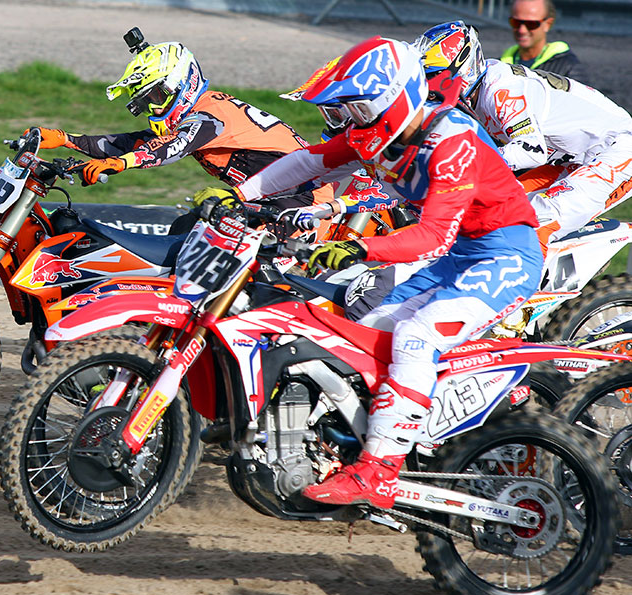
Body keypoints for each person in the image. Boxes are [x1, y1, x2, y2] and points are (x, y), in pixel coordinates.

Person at [197, 37, 543, 508]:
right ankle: (363, 443)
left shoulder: (451, 141)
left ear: (392, 98)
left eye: (357, 108)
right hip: (460, 255)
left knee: (416, 337)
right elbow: (306, 163)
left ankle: (379, 471)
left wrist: (358, 247)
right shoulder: (382, 132)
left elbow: (432, 237)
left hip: (504, 257)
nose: (352, 120)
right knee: (361, 338)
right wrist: (243, 198)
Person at [32, 29, 336, 219]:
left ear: (181, 83)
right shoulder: (202, 111)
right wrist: (68, 139)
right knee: (189, 232)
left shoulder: (209, 116)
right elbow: (139, 142)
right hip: (273, 197)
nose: (152, 107)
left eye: (156, 95)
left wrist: (119, 164)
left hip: (303, 201)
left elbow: (169, 148)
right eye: (145, 100)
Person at [417, 20, 632, 253]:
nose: (428, 87)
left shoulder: (500, 91)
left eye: (433, 76)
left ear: (463, 66)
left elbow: (531, 150)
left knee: (535, 222)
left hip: (616, 151)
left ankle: (522, 287)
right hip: (574, 157)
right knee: (491, 210)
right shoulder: (478, 90)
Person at [500, 0, 586, 82]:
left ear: (548, 24)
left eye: (531, 24)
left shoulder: (569, 68)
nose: (522, 30)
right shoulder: (499, 66)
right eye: (516, 22)